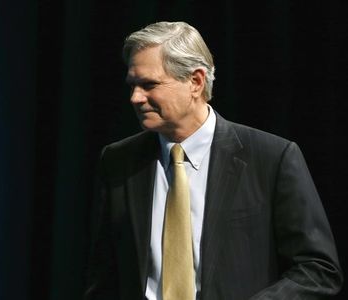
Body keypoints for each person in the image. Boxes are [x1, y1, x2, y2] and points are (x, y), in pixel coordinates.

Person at [83, 21, 343, 300]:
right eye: (133, 85)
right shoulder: (118, 161)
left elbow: (318, 269)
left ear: (195, 81)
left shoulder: (271, 158)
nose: (135, 97)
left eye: (149, 84)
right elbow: (105, 277)